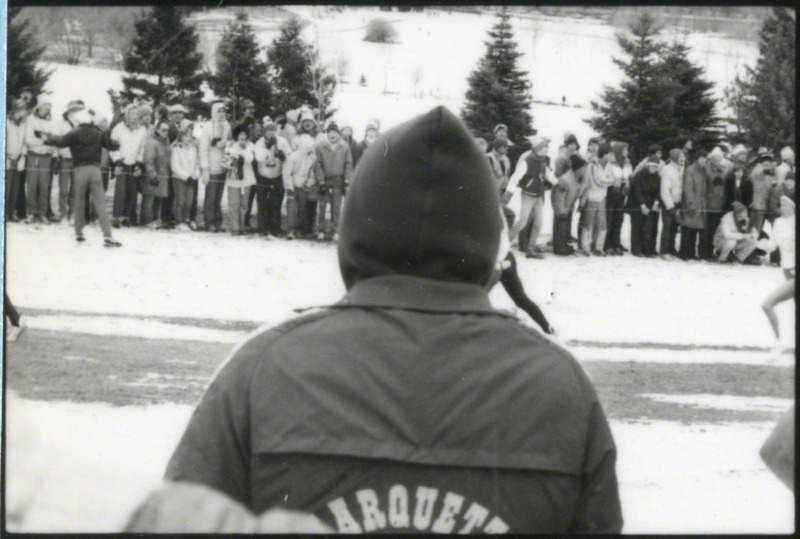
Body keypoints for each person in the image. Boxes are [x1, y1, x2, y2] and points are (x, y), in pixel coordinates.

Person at [160, 106, 622, 534]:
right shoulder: (560, 383)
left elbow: (182, 516)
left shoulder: (264, 365)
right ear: (486, 239)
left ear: (358, 226)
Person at [44, 108, 122, 246]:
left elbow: (60, 141)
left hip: (80, 170)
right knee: (100, 203)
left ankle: (79, 232)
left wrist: (46, 136)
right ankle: (107, 235)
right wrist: (117, 142)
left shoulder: (74, 133)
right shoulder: (98, 133)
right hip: (95, 170)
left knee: (79, 202)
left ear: (79, 121)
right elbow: (112, 145)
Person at [506, 136, 558, 258]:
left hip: (538, 196)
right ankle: (505, 243)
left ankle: (530, 249)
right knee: (523, 221)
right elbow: (515, 177)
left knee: (538, 223)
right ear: (539, 148)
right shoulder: (527, 161)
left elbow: (548, 174)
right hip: (528, 195)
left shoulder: (542, 160)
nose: (547, 149)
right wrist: (509, 192)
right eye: (545, 147)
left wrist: (557, 183)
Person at [759, 195, 795, 356]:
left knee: (767, 304)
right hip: (786, 271)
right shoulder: (778, 223)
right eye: (781, 204)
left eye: (786, 204)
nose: (783, 207)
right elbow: (772, 246)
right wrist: (758, 242)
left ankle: (779, 344)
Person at [314, 121, 354, 241]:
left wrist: (347, 179)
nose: (333, 135)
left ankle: (335, 230)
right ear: (327, 134)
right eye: (330, 132)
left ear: (339, 134)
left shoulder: (345, 146)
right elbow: (318, 164)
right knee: (322, 205)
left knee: (336, 206)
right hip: (325, 180)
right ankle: (321, 230)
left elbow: (348, 164)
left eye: (335, 133)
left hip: (338, 180)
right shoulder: (320, 146)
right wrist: (321, 181)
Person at [110, 104, 147, 227]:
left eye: (136, 114)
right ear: (127, 114)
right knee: (120, 191)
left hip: (134, 163)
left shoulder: (142, 130)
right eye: (132, 113)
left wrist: (139, 164)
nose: (134, 116)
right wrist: (117, 161)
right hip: (122, 163)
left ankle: (127, 216)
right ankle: (116, 216)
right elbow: (113, 147)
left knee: (132, 191)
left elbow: (143, 148)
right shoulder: (118, 128)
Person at [254, 118, 292, 237]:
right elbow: (259, 157)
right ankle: (262, 227)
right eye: (268, 130)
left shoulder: (282, 141)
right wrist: (267, 149)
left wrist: (283, 156)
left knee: (276, 203)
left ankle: (276, 227)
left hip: (277, 174)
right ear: (264, 132)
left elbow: (289, 155)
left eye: (273, 130)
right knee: (262, 203)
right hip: (263, 175)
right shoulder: (259, 142)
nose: (271, 133)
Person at [24, 94, 56, 224]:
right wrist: (44, 140)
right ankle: (31, 212)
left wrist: (43, 138)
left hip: (46, 157)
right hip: (33, 155)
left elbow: (54, 139)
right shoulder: (31, 119)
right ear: (39, 106)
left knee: (44, 185)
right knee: (32, 185)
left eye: (49, 105)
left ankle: (43, 213)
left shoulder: (52, 121)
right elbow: (29, 139)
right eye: (45, 105)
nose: (48, 108)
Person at [199, 102, 232, 232]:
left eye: (223, 111)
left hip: (223, 166)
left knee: (219, 196)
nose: (221, 114)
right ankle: (209, 222)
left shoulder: (227, 126)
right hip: (211, 166)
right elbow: (203, 149)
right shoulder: (207, 127)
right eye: (219, 111)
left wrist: (223, 143)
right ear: (214, 112)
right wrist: (205, 169)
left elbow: (229, 143)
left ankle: (218, 222)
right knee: (210, 197)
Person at [578, 143, 614, 256]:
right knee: (588, 223)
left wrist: (605, 181)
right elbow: (596, 181)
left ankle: (599, 247)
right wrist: (606, 181)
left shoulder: (609, 166)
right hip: (591, 197)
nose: (611, 156)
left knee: (602, 224)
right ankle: (585, 247)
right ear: (605, 154)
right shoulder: (592, 165)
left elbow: (612, 180)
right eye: (609, 153)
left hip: (602, 197)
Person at [51, 100, 85, 222]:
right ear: (69, 110)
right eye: (75, 110)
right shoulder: (60, 123)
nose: (76, 113)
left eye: (79, 110)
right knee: (64, 189)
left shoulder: (82, 124)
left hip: (78, 160)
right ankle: (63, 213)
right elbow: (56, 140)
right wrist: (55, 157)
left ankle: (73, 212)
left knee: (75, 189)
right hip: (65, 158)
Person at [223, 124, 256, 236]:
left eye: (245, 134)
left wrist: (244, 150)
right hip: (234, 178)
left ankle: (242, 225)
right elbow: (225, 160)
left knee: (244, 204)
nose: (243, 136)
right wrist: (234, 157)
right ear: (236, 135)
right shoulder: (230, 145)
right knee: (234, 203)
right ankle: (235, 226)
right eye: (240, 133)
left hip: (247, 178)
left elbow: (250, 159)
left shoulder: (250, 145)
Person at [551, 153, 588, 256]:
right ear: (577, 169)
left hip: (569, 207)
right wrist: (561, 211)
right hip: (562, 208)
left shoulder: (576, 178)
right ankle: (559, 247)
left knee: (567, 228)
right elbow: (558, 197)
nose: (584, 171)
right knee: (560, 227)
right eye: (583, 169)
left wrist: (579, 204)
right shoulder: (565, 179)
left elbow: (581, 191)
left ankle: (565, 244)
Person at [281, 135, 317, 240]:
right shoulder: (293, 157)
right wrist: (289, 187)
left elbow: (311, 172)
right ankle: (290, 230)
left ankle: (299, 229)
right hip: (293, 186)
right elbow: (287, 173)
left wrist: (309, 183)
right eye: (308, 146)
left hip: (303, 186)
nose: (310, 148)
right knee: (292, 208)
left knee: (302, 208)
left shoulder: (312, 158)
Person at [627, 156, 661, 257]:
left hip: (650, 203)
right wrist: (642, 205)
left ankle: (647, 250)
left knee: (648, 227)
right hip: (637, 203)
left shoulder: (657, 177)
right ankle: (636, 249)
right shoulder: (639, 175)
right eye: (652, 166)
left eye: (656, 167)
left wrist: (656, 202)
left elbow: (657, 191)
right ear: (647, 166)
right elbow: (636, 192)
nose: (654, 169)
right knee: (637, 226)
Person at [170, 119, 200, 231]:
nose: (188, 138)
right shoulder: (177, 149)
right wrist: (186, 176)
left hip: (191, 178)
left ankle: (186, 219)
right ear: (181, 137)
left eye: (190, 136)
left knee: (189, 200)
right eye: (186, 136)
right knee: (180, 200)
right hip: (180, 178)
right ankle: (179, 221)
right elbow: (175, 165)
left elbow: (196, 163)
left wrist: (195, 175)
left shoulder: (193, 149)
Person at [142, 120, 172, 228]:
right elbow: (148, 160)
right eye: (163, 130)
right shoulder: (151, 142)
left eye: (167, 130)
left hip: (163, 174)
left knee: (159, 198)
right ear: (157, 130)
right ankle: (146, 220)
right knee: (150, 198)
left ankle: (156, 219)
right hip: (154, 174)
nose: (166, 132)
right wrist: (152, 175)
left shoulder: (166, 141)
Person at [679, 150, 708, 261]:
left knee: (696, 229)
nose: (703, 160)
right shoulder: (690, 170)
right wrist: (691, 204)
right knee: (687, 228)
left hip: (701, 205)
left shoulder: (704, 170)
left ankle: (691, 252)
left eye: (705, 158)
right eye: (701, 158)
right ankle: (683, 252)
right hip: (692, 204)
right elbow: (688, 189)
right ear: (696, 159)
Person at [604, 142, 632, 255]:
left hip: (622, 193)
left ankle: (616, 243)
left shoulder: (627, 163)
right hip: (612, 192)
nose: (627, 152)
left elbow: (629, 176)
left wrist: (627, 183)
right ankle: (607, 244)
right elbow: (605, 177)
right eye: (625, 149)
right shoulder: (610, 163)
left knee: (619, 219)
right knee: (609, 219)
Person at [702, 148, 729, 260]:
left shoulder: (724, 170)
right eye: (715, 158)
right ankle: (705, 252)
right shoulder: (706, 169)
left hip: (720, 204)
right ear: (711, 158)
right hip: (709, 203)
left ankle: (713, 251)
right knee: (707, 229)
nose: (717, 160)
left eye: (719, 158)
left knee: (716, 230)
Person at [659, 148, 685, 260]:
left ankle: (671, 248)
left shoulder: (681, 169)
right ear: (674, 158)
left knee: (675, 227)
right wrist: (670, 206)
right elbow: (665, 191)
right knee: (667, 227)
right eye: (680, 158)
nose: (682, 160)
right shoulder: (667, 170)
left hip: (678, 201)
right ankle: (664, 251)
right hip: (668, 203)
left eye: (683, 158)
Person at [6, 103, 28, 223]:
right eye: (20, 110)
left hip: (18, 158)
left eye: (23, 110)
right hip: (8, 158)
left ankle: (11, 213)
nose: (22, 113)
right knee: (7, 187)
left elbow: (25, 142)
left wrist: (22, 156)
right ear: (14, 111)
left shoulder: (23, 125)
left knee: (15, 187)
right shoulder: (7, 123)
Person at [748, 149, 776, 234]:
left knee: (763, 229)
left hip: (765, 205)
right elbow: (760, 173)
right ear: (761, 162)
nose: (767, 163)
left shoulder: (770, 175)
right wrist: (769, 170)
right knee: (754, 228)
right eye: (765, 161)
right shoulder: (757, 169)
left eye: (769, 161)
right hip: (757, 205)